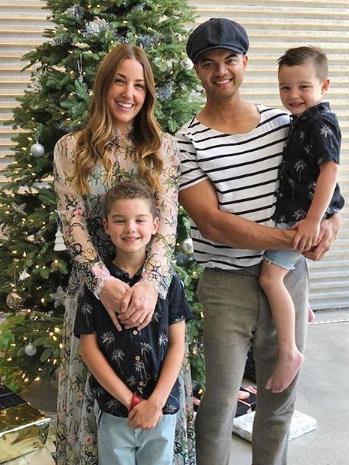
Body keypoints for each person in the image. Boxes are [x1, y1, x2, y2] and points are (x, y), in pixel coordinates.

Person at [177, 18, 341, 465]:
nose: (221, 71)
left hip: (288, 277)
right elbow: (213, 223)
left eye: (230, 60)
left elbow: (317, 178)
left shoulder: (283, 122)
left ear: (245, 62)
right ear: (197, 70)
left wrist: (330, 222)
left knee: (279, 401)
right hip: (227, 284)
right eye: (208, 63)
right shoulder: (186, 142)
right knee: (218, 404)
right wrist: (296, 237)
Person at [53, 43, 195, 465]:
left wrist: (150, 284)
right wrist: (105, 283)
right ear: (103, 85)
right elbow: (72, 221)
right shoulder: (70, 148)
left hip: (153, 288)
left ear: (148, 93)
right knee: (99, 404)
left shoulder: (163, 148)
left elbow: (167, 222)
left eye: (138, 84)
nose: (128, 93)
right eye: (120, 80)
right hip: (96, 288)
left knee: (155, 413)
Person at [73, 180, 192, 465]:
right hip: (115, 408)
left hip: (160, 409)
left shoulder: (169, 282)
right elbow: (88, 350)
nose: (130, 229)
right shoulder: (95, 287)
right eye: (120, 220)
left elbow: (178, 344)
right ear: (105, 225)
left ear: (155, 225)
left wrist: (155, 403)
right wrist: (131, 401)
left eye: (140, 220)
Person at [259, 46, 344, 393]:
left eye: (303, 87)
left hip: (302, 217)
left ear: (324, 86)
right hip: (297, 212)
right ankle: (303, 307)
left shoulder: (320, 122)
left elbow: (330, 171)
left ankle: (289, 351)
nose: (293, 95)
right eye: (285, 88)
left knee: (269, 278)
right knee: (283, 270)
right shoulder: (303, 120)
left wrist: (313, 219)